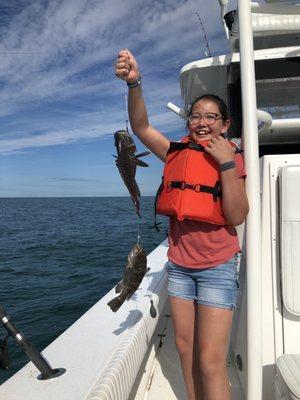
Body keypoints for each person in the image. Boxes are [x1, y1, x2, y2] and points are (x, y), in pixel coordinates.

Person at [115, 48, 249, 400]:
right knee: (186, 352)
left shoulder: (234, 160)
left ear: (225, 124)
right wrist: (135, 84)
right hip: (179, 269)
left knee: (210, 362)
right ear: (188, 121)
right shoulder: (175, 152)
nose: (202, 123)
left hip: (217, 269)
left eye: (211, 117)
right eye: (195, 116)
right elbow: (141, 127)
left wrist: (225, 165)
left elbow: (236, 216)